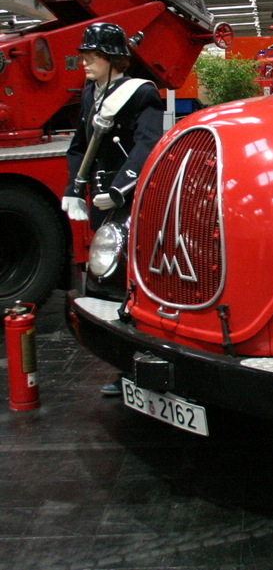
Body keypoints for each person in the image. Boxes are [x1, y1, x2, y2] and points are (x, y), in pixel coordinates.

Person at [61, 22, 165, 396]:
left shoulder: (142, 93)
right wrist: (74, 190)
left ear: (111, 58)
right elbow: (79, 145)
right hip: (100, 200)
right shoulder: (90, 93)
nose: (85, 63)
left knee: (133, 285)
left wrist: (120, 189)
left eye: (91, 56)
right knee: (106, 284)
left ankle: (148, 362)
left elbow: (147, 144)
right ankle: (123, 367)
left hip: (129, 200)